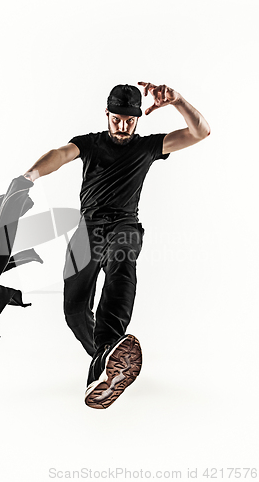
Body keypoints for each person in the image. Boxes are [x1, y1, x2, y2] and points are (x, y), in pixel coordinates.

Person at [23, 82, 210, 409]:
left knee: (121, 267)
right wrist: (30, 176)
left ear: (138, 119)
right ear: (107, 115)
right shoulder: (89, 144)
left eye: (130, 121)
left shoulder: (148, 147)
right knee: (74, 310)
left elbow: (200, 132)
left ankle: (109, 345)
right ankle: (106, 361)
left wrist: (178, 101)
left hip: (124, 224)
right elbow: (60, 155)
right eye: (117, 119)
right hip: (87, 228)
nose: (123, 127)